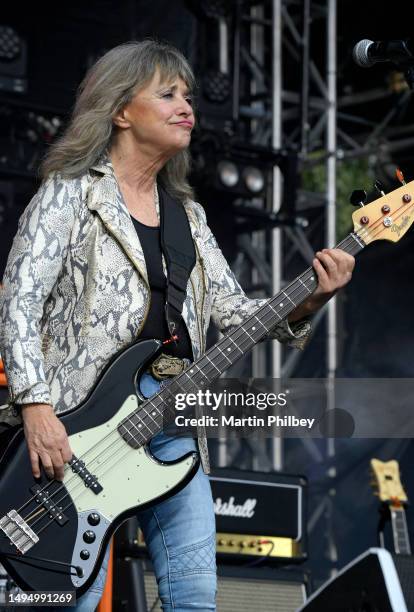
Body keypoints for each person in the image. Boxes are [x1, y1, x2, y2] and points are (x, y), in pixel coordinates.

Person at [0, 40, 354, 611]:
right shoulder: (70, 193)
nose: (186, 107)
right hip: (75, 434)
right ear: (120, 111)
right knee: (71, 599)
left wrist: (312, 297)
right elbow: (17, 302)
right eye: (167, 94)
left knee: (195, 598)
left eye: (188, 96)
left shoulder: (187, 215)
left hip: (172, 423)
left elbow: (238, 316)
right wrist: (37, 408)